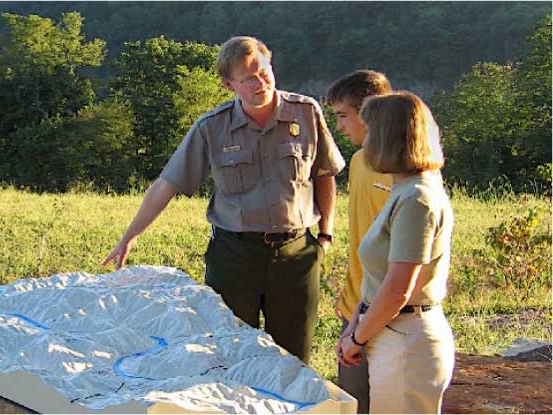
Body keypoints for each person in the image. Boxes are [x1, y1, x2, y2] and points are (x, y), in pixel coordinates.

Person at [103, 36, 345, 363]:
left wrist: (326, 235)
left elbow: (325, 174)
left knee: (293, 359)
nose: (261, 83)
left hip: (297, 256)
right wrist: (129, 236)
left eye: (264, 72)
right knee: (227, 355)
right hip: (235, 258)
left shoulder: (305, 112)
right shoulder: (212, 127)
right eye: (249, 79)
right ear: (229, 85)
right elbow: (167, 184)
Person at [337, 91, 455, 414]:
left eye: (371, 131)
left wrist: (357, 338)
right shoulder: (404, 189)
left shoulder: (417, 198)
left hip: (406, 342)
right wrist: (355, 327)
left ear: (388, 137)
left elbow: (398, 288)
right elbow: (380, 280)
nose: (364, 140)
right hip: (391, 334)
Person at [326, 70, 392, 413]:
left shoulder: (403, 169)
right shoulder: (357, 161)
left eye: (342, 116)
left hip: (389, 314)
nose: (339, 127)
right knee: (352, 404)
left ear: (368, 111)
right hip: (354, 309)